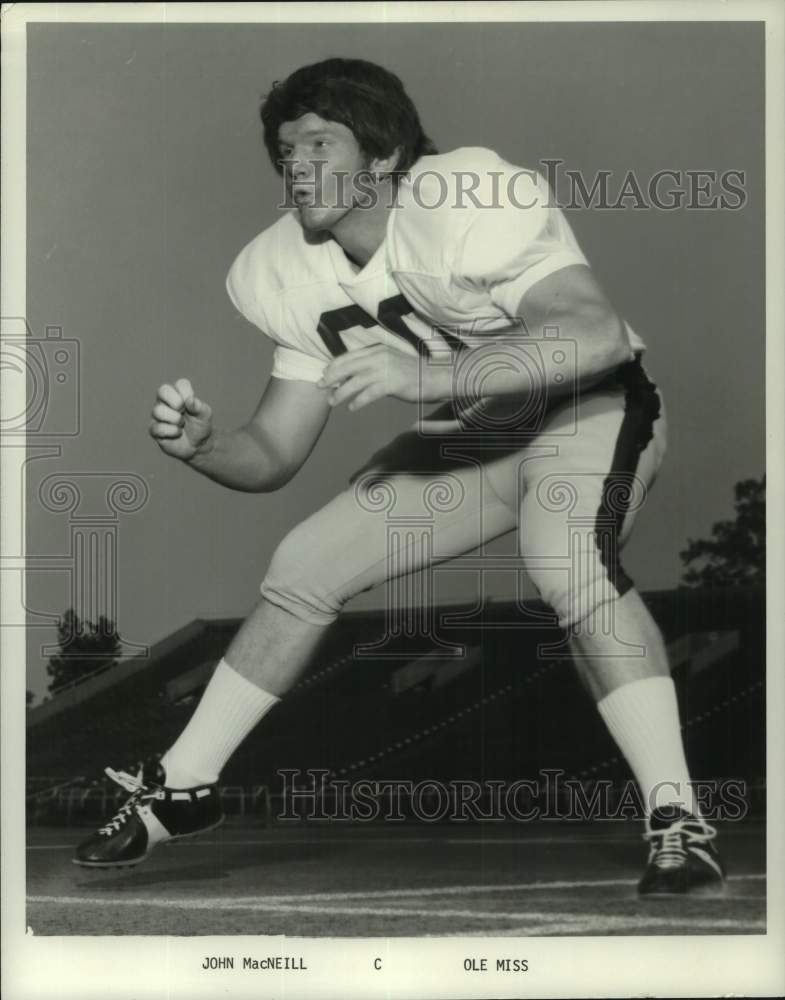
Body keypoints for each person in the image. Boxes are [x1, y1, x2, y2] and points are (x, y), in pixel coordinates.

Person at [73, 58, 724, 896]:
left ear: (382, 158)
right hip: (476, 436)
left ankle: (676, 815)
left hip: (585, 407)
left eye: (319, 142)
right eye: (284, 147)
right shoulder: (281, 269)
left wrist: (431, 379)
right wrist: (206, 446)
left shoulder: (463, 198)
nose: (295, 164)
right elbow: (272, 452)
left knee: (567, 561)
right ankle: (184, 788)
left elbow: (593, 335)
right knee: (302, 566)